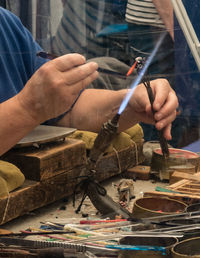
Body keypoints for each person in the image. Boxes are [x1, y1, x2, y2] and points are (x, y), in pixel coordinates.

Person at [0, 7, 178, 156]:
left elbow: (67, 112)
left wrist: (130, 102)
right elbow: (36, 107)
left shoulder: (6, 25)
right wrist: (28, 108)